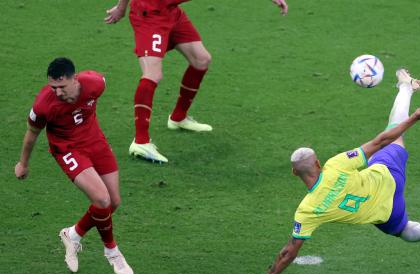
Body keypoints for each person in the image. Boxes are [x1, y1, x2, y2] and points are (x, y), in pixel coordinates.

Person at [244, 69, 420, 274]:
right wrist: (414, 119)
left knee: (406, 232)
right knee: (392, 132)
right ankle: (406, 88)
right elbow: (381, 141)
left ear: (294, 173)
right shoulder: (335, 164)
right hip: (389, 175)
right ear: (318, 163)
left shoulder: (307, 211)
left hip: (384, 211)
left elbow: (289, 252)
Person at [104, 0, 289, 163]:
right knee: (153, 74)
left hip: (171, 12)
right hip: (150, 14)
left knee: (201, 59)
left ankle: (178, 118)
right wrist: (122, 7)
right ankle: (141, 142)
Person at [15, 57, 134, 274]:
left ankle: (73, 234)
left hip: (95, 142)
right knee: (102, 199)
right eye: (53, 87)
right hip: (68, 149)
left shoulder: (96, 83)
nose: (58, 92)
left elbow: (98, 88)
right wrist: (23, 163)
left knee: (113, 202)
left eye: (61, 86)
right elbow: (31, 134)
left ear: (74, 79)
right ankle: (112, 252)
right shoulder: (43, 104)